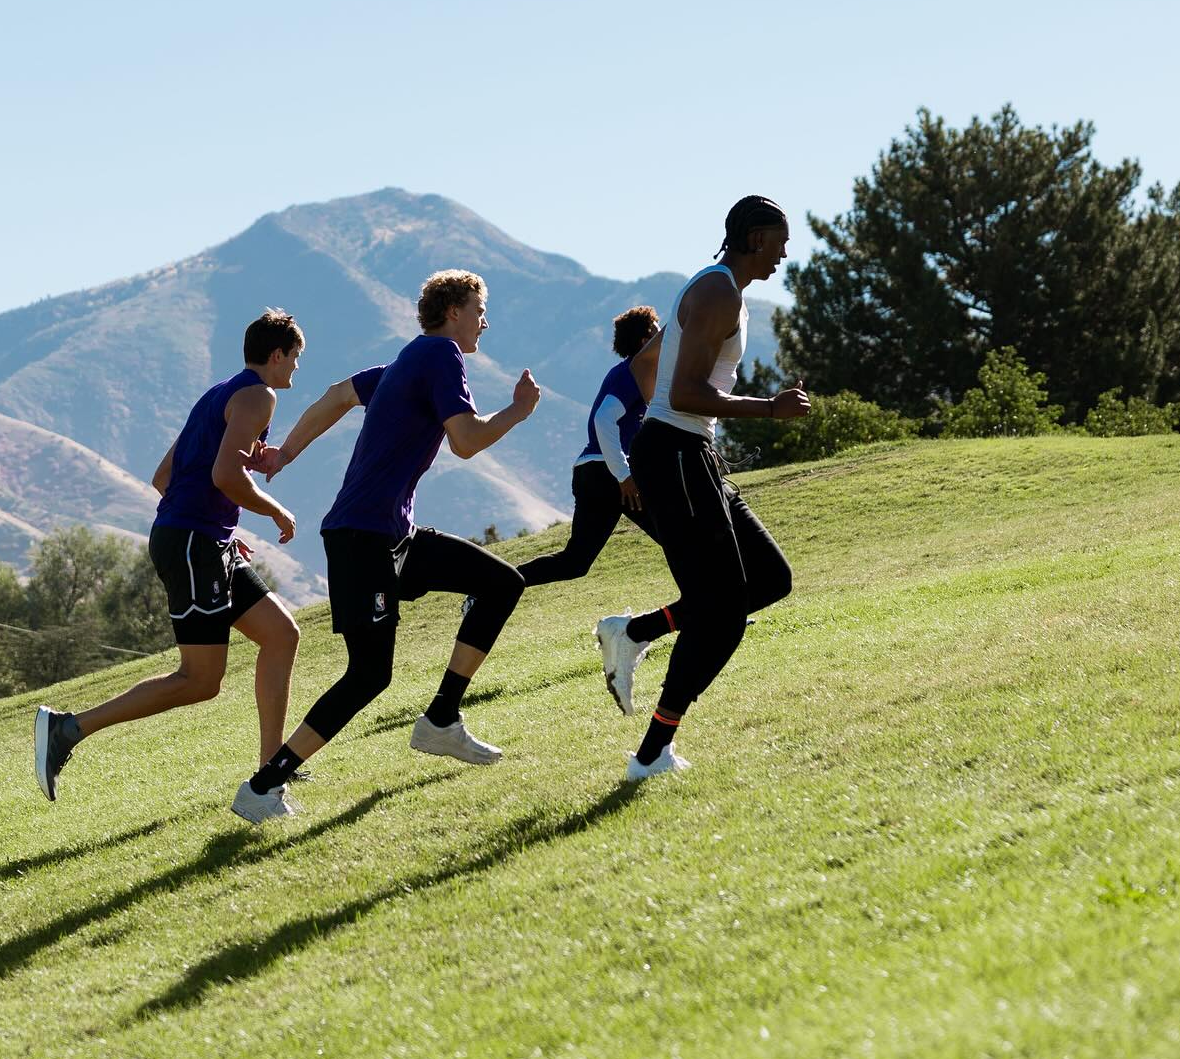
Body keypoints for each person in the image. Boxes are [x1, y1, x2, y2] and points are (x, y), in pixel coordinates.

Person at [231, 269, 541, 824]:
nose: (483, 321)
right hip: (362, 537)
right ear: (451, 312)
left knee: (501, 582)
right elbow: (466, 441)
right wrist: (518, 411)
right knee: (369, 674)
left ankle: (442, 718)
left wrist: (283, 455)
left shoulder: (405, 363)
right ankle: (262, 787)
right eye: (478, 309)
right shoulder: (441, 356)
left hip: (390, 535)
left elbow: (335, 396)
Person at [33, 309, 306, 802]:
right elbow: (225, 476)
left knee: (282, 634)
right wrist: (276, 512)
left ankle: (272, 770)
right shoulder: (258, 397)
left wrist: (219, 528)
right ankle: (66, 729)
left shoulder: (219, 395)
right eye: (295, 359)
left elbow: (165, 477)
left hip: (201, 540)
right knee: (200, 680)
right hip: (192, 544)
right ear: (276, 354)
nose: (296, 370)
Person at [594, 197, 811, 783]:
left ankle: (634, 632)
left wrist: (668, 417)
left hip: (688, 454)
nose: (785, 254)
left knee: (769, 578)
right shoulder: (719, 294)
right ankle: (650, 755)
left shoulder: (712, 290)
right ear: (756, 237)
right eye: (780, 241)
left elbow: (649, 366)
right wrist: (770, 408)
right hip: (677, 455)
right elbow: (685, 392)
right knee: (722, 616)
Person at [517, 307, 663, 611]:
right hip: (607, 472)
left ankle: (492, 584)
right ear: (642, 340)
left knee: (575, 562)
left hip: (590, 471)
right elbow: (604, 419)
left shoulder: (627, 372)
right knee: (681, 539)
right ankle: (715, 610)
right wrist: (623, 475)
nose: (660, 333)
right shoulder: (633, 371)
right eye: (655, 329)